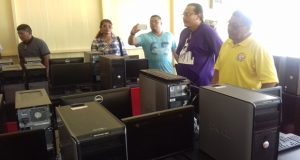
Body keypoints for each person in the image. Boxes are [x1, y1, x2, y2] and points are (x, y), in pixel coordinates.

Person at [212, 11, 278, 90]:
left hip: (244, 101)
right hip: (223, 97)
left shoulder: (258, 47)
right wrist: (214, 90)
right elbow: (218, 69)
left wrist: (255, 99)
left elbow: (270, 82)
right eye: (229, 23)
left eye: (235, 26)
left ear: (248, 27)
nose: (229, 28)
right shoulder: (227, 43)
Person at [175, 3, 223, 86]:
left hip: (201, 82)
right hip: (183, 81)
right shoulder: (184, 32)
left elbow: (222, 53)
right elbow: (179, 53)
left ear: (198, 15)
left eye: (187, 14)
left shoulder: (208, 31)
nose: (184, 17)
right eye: (184, 14)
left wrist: (216, 78)